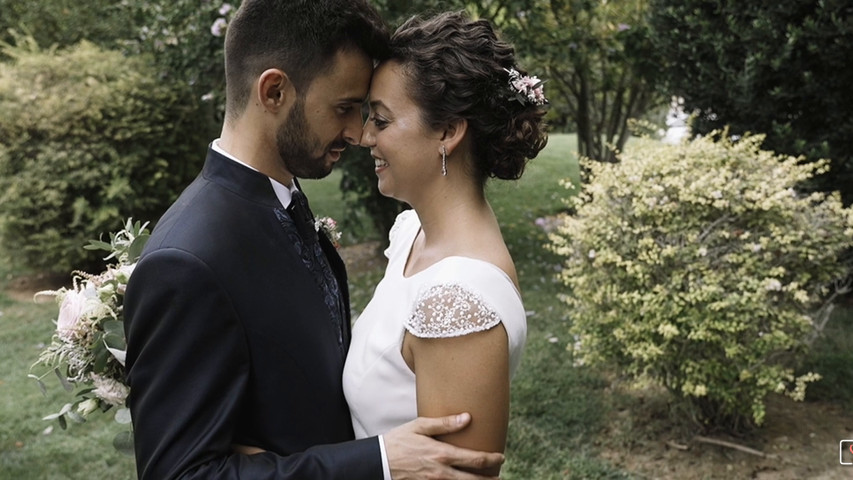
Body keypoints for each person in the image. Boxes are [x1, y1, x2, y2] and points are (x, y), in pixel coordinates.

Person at [122, 1, 505, 479]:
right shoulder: (187, 261)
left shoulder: (283, 198)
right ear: (275, 90)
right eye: (344, 108)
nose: (356, 132)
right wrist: (378, 462)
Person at [343, 11, 548, 477]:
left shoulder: (457, 302)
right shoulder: (411, 232)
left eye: (381, 119)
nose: (365, 136)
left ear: (448, 132)